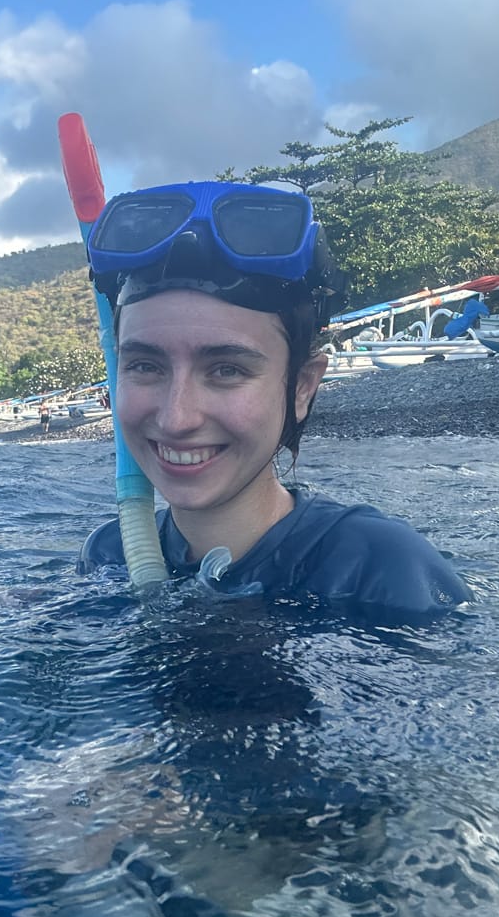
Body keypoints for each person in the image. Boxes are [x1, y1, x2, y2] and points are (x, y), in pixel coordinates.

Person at [77, 181, 469, 621]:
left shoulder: (379, 569)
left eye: (227, 370)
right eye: (146, 366)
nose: (175, 419)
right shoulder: (109, 554)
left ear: (302, 386)